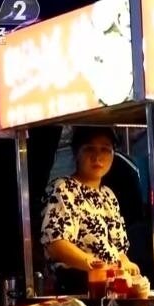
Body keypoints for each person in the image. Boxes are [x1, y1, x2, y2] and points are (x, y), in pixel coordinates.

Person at [40, 126, 140, 294]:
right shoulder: (63, 189)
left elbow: (118, 249)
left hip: (110, 289)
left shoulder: (108, 195)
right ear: (76, 152)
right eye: (89, 149)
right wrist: (93, 264)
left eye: (105, 149)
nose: (97, 157)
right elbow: (55, 244)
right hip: (75, 288)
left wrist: (125, 263)